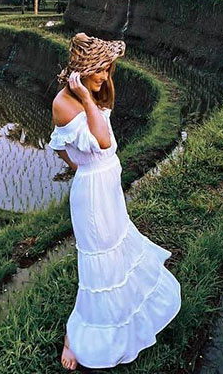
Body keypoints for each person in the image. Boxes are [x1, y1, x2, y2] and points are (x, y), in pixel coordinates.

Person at [49, 32, 181, 370]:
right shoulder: (65, 102)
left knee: (119, 254)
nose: (105, 78)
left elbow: (101, 116)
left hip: (107, 188)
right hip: (92, 198)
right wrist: (86, 168)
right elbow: (99, 141)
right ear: (81, 73)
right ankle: (74, 337)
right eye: (101, 71)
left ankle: (126, 317)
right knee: (100, 267)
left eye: (108, 70)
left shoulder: (93, 92)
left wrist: (96, 88)